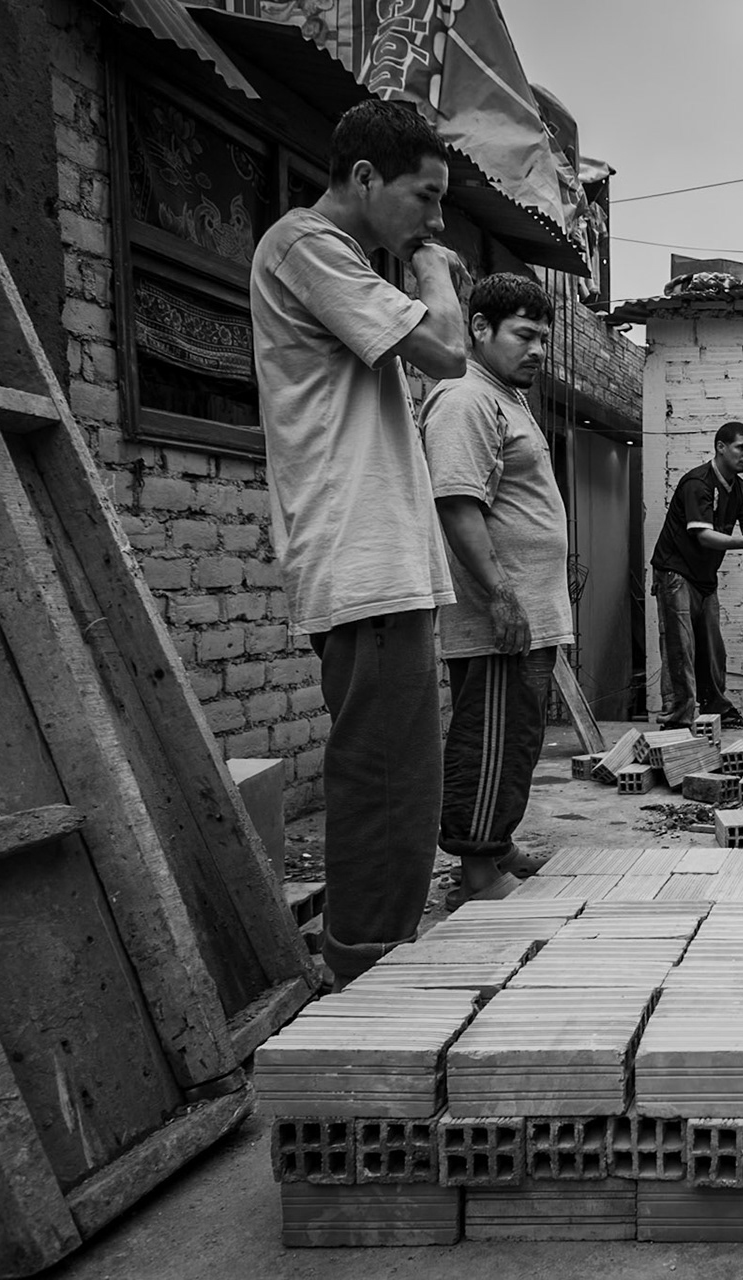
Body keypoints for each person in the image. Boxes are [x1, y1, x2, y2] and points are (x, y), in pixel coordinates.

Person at [250, 100, 468, 986]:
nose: (437, 221)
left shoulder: (332, 260)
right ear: (367, 178)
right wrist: (432, 271)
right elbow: (449, 350)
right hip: (362, 559)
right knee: (384, 787)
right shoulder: (309, 246)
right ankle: (366, 980)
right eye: (426, 197)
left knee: (401, 784)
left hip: (381, 562)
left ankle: (374, 961)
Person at [422, 273, 571, 906]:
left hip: (527, 611)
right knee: (489, 739)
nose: (537, 350)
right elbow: (457, 503)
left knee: (517, 738)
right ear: (480, 329)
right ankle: (477, 873)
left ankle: (498, 842)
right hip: (499, 614)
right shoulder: (465, 398)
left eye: (543, 337)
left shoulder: (507, 399)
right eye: (524, 335)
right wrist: (501, 595)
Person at [650, 422, 743, 729]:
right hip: (675, 572)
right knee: (680, 648)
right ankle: (677, 719)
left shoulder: (742, 490)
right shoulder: (698, 482)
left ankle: (715, 710)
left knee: (712, 650)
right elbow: (704, 537)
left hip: (705, 577)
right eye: (741, 448)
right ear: (720, 447)